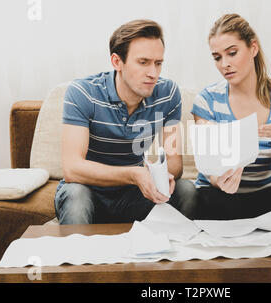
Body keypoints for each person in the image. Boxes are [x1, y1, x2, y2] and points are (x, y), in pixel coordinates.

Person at [55, 19, 197, 224]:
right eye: (143, 62)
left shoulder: (168, 94)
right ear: (116, 62)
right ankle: (75, 256)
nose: (153, 73)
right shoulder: (83, 93)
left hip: (135, 196)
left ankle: (179, 254)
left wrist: (154, 176)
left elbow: (175, 164)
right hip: (89, 193)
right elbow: (72, 168)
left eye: (158, 63)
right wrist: (133, 174)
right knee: (76, 194)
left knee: (186, 190)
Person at [191, 14, 271, 220]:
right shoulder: (207, 100)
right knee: (216, 202)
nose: (224, 64)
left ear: (253, 49)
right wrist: (219, 179)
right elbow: (209, 170)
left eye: (232, 53)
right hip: (221, 195)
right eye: (217, 57)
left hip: (264, 195)